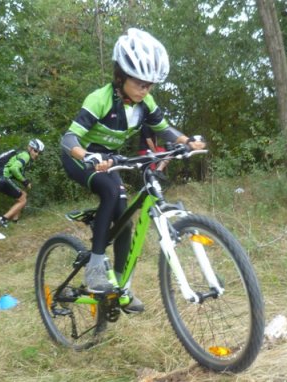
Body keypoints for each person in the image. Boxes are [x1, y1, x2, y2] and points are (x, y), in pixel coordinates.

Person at [60, 28, 206, 313]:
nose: (145, 90)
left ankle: (120, 287)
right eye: (139, 83)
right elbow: (68, 139)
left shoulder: (145, 103)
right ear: (120, 76)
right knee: (112, 191)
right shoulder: (99, 99)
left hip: (110, 160)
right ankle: (95, 269)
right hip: (81, 158)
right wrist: (86, 155)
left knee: (125, 217)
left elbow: (164, 130)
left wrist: (187, 142)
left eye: (149, 85)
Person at [0, 138, 44, 228]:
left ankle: (15, 222)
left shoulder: (21, 155)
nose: (37, 154)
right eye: (35, 151)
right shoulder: (25, 156)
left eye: (39, 153)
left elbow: (12, 169)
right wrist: (25, 181)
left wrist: (23, 181)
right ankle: (2, 219)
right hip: (3, 179)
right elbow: (14, 169)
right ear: (30, 148)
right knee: (23, 199)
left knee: (23, 195)